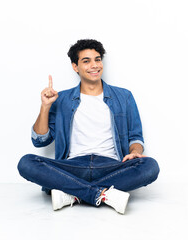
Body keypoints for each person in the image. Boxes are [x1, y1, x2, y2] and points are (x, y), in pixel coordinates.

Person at [17, 39, 160, 214]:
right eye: (86, 61)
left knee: (150, 166)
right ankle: (101, 194)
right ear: (75, 67)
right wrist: (45, 106)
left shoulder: (124, 96)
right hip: (72, 167)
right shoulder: (61, 99)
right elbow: (40, 140)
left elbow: (135, 137)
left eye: (97, 59)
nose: (94, 65)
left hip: (110, 166)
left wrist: (135, 151)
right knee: (26, 163)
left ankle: (73, 193)